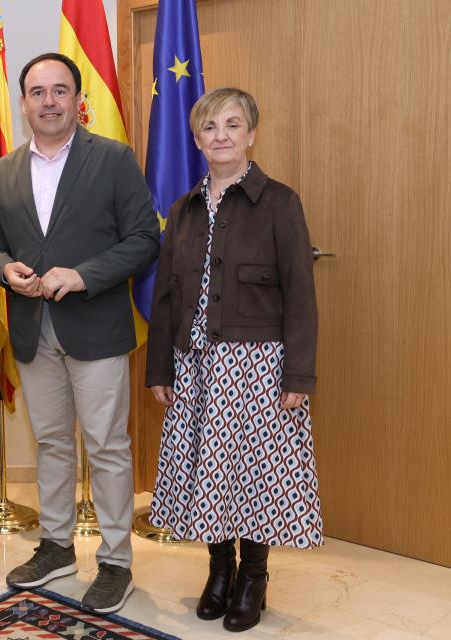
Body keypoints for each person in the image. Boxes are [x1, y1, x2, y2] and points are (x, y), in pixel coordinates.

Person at [0, 53, 159, 613]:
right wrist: (3, 269)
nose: (49, 102)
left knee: (106, 445)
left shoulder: (113, 158)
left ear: (78, 99)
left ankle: (116, 562)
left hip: (96, 325)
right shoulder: (4, 170)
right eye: (38, 92)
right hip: (32, 328)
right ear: (24, 102)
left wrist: (83, 275)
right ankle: (56, 548)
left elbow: (144, 239)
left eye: (60, 90)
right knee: (53, 442)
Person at [145, 87, 322, 633]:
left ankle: (253, 578)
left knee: (255, 474)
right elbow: (166, 295)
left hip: (259, 367)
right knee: (208, 469)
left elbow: (301, 293)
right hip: (195, 366)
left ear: (251, 134)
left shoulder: (280, 203)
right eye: (209, 127)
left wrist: (298, 374)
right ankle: (219, 570)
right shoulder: (183, 209)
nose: (220, 135)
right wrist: (160, 368)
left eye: (232, 124)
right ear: (197, 140)